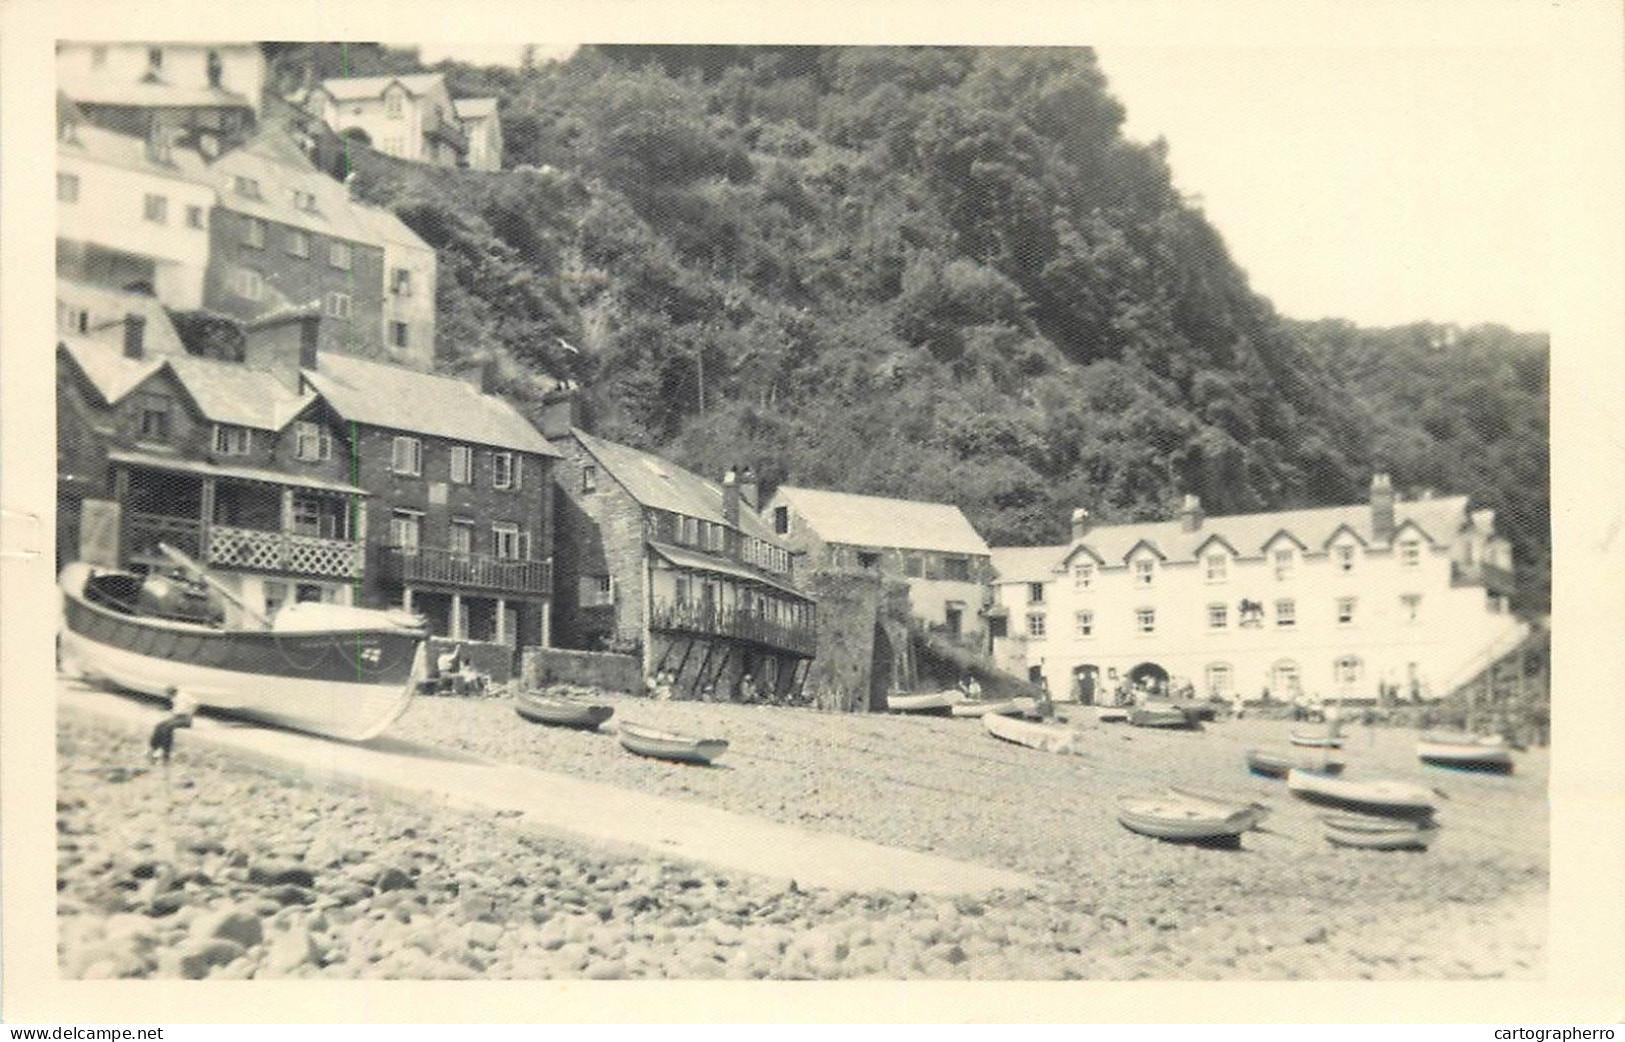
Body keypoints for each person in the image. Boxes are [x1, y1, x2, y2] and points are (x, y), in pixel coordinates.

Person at [148, 687, 196, 765]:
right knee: (159, 726)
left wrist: (190, 713)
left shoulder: (182, 696)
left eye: (169, 695)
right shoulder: (176, 698)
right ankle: (155, 748)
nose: (169, 697)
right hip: (178, 717)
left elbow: (194, 703)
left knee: (167, 727)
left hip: (185, 718)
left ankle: (166, 752)